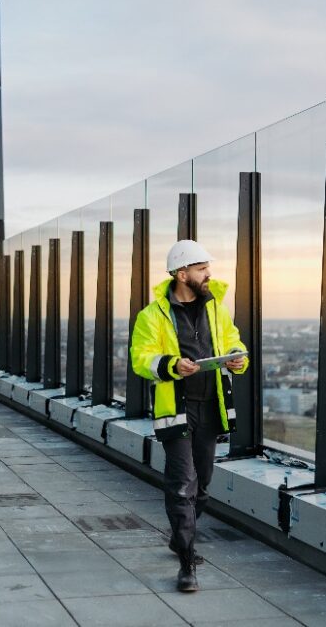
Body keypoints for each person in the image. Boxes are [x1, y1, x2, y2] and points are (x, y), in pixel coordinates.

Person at [130, 239, 248, 592]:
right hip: (176, 410)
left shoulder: (217, 309)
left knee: (204, 483)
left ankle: (181, 535)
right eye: (201, 269)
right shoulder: (152, 315)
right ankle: (186, 560)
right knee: (182, 484)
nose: (208, 274)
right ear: (182, 274)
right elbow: (141, 358)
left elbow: (234, 342)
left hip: (211, 408)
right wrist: (171, 365)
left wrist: (238, 358)